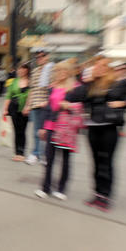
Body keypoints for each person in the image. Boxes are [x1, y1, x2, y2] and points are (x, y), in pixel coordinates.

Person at [64, 57, 126, 212]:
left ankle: (106, 196)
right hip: (92, 128)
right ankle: (96, 194)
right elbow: (72, 96)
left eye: (103, 66)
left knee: (106, 162)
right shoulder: (90, 85)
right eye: (97, 66)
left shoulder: (118, 83)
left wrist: (122, 103)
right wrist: (84, 80)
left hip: (109, 128)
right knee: (95, 162)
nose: (99, 68)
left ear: (108, 68)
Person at [34, 60, 83, 201]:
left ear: (69, 72)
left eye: (64, 70)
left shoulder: (76, 87)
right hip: (51, 127)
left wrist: (69, 106)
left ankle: (61, 189)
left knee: (65, 160)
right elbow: (48, 108)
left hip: (66, 128)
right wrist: (42, 127)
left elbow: (82, 106)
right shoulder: (52, 87)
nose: (61, 73)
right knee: (49, 159)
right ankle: (45, 188)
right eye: (58, 70)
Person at [23, 50, 53, 165]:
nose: (39, 58)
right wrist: (27, 105)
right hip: (35, 105)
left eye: (42, 56)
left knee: (45, 132)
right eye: (37, 57)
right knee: (36, 131)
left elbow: (53, 88)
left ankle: (44, 154)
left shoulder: (51, 70)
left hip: (46, 105)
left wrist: (48, 101)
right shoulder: (35, 71)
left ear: (47, 57)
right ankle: (36, 153)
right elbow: (32, 89)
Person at [3, 62, 30, 161]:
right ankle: (17, 152)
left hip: (25, 109)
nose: (21, 70)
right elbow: (8, 96)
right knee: (16, 130)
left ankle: (22, 152)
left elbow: (31, 95)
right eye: (19, 68)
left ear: (27, 70)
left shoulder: (30, 82)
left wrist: (27, 106)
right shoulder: (14, 81)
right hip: (14, 108)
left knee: (22, 131)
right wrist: (5, 109)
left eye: (23, 68)